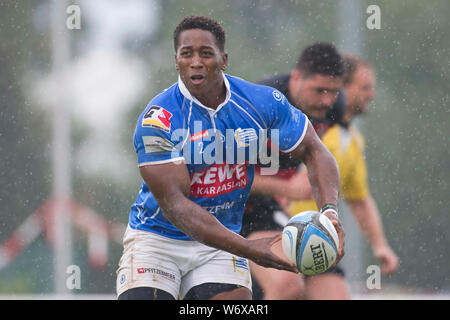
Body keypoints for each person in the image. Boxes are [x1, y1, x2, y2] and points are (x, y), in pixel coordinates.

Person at [115, 16, 344, 300]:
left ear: (223, 60)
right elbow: (177, 206)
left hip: (219, 246)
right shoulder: (159, 120)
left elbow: (315, 151)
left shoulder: (261, 102)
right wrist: (250, 249)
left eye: (206, 53)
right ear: (176, 60)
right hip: (159, 240)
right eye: (187, 54)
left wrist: (330, 212)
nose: (196, 62)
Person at [240, 42, 347, 300]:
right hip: (233, 209)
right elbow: (224, 175)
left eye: (333, 91)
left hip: (270, 209)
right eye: (319, 90)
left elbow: (317, 157)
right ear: (296, 77)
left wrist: (328, 211)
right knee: (288, 287)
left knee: (334, 295)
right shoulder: (259, 103)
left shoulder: (334, 106)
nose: (326, 100)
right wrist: (287, 188)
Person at [288, 54, 399, 299]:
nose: (371, 94)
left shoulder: (353, 140)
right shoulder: (308, 130)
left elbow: (359, 199)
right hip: (279, 234)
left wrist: (380, 245)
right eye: (365, 87)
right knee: (287, 290)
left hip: (318, 241)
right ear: (343, 88)